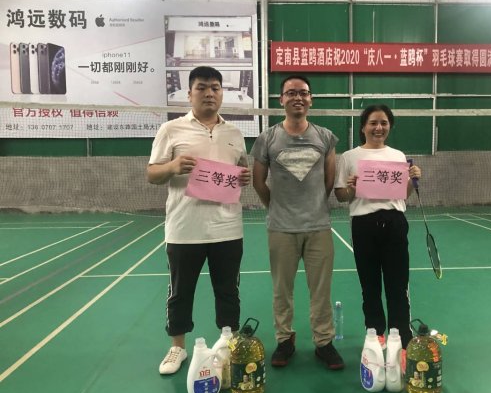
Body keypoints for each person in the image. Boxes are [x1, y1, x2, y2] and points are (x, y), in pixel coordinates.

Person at [147, 66, 250, 375]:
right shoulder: (171, 130)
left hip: (227, 228)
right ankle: (177, 347)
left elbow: (240, 170)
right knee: (180, 291)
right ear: (189, 93)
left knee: (228, 291)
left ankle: (228, 342)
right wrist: (173, 166)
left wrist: (243, 178)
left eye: (215, 88)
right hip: (184, 229)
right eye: (202, 87)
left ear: (222, 93)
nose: (209, 93)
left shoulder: (234, 134)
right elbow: (152, 173)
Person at [251, 75, 344, 370]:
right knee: (282, 290)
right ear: (281, 100)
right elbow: (258, 181)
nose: (297, 97)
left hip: (318, 227)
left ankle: (324, 342)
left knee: (321, 291)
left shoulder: (325, 137)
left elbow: (329, 180)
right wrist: (276, 208)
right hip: (281, 228)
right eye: (291, 93)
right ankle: (284, 339)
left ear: (311, 99)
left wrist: (313, 206)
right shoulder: (267, 138)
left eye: (303, 93)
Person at [334, 104, 421, 364]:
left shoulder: (398, 155)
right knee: (369, 285)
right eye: (373, 122)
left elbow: (402, 195)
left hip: (395, 223)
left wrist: (412, 179)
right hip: (363, 225)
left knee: (398, 284)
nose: (378, 127)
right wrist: (351, 188)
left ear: (389, 126)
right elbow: (341, 196)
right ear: (363, 127)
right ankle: (376, 333)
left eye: (384, 122)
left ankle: (402, 335)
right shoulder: (349, 157)